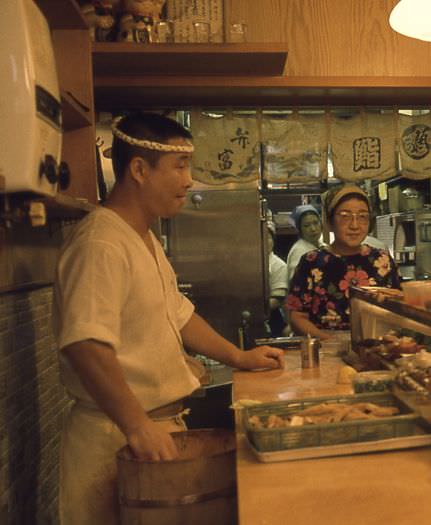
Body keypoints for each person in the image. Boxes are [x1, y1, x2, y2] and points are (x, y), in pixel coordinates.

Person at [53, 113, 285, 525]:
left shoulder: (143, 237)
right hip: (117, 438)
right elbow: (85, 343)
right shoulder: (101, 242)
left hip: (153, 432)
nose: (189, 180)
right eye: (179, 167)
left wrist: (239, 357)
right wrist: (136, 424)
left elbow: (179, 315)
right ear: (139, 170)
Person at [286, 184, 400, 339]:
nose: (354, 225)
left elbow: (398, 311)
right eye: (345, 216)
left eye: (362, 216)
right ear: (330, 222)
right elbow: (297, 317)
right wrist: (331, 342)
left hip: (375, 346)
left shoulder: (382, 260)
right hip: (324, 349)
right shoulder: (311, 262)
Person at [286, 204, 323, 283]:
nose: (313, 229)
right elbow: (295, 282)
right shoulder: (298, 251)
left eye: (316, 223)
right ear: (300, 229)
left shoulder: (323, 246)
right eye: (306, 226)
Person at [264, 220, 289, 336]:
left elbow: (277, 299)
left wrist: (256, 310)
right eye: (261, 237)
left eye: (268, 237)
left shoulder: (278, 265)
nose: (265, 241)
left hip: (272, 319)